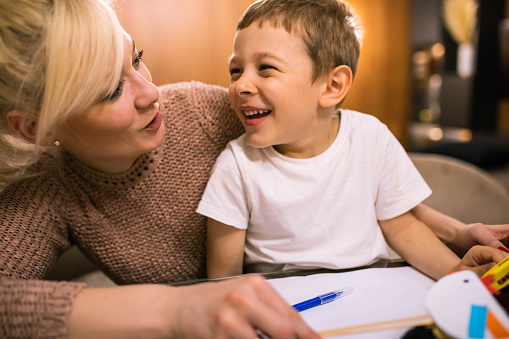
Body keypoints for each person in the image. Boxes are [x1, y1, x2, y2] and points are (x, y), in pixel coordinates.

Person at [0, 0, 506, 338]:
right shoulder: (47, 192)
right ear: (37, 129)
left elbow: (364, 184)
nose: (151, 92)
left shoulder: (210, 109)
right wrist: (171, 311)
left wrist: (456, 235)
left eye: (138, 58)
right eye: (110, 89)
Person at [198, 0, 508, 280]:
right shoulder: (236, 165)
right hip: (284, 302)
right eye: (235, 71)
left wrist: (456, 275)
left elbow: (402, 226)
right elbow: (224, 279)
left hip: (375, 284)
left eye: (265, 68)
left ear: (333, 85)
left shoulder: (369, 136)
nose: (240, 86)